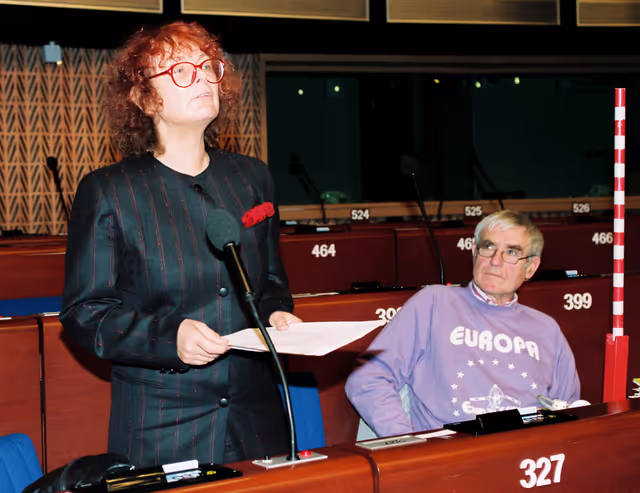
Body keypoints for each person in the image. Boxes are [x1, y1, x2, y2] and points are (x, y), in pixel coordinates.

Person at [60, 21, 301, 468]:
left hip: (258, 420)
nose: (205, 78)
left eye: (209, 67)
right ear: (143, 97)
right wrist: (169, 338)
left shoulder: (252, 178)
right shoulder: (110, 190)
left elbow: (268, 283)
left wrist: (278, 315)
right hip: (162, 427)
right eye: (180, 71)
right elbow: (85, 312)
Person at [345, 210, 580, 438]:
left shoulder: (546, 329)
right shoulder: (434, 303)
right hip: (449, 456)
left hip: (525, 456)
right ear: (475, 252)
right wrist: (407, 443)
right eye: (488, 247)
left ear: (530, 267)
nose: (495, 261)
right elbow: (368, 378)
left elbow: (568, 408)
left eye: (510, 252)